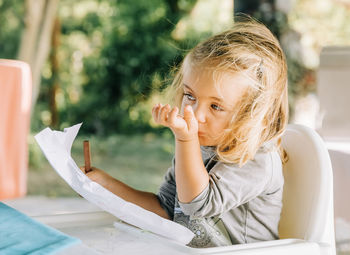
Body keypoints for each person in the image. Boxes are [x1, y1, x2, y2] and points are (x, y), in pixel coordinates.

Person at [83, 18, 288, 248]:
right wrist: (104, 184)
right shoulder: (199, 145)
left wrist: (185, 139)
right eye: (190, 96)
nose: (194, 113)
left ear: (251, 114)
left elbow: (197, 204)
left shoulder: (258, 159)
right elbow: (165, 211)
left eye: (215, 106)